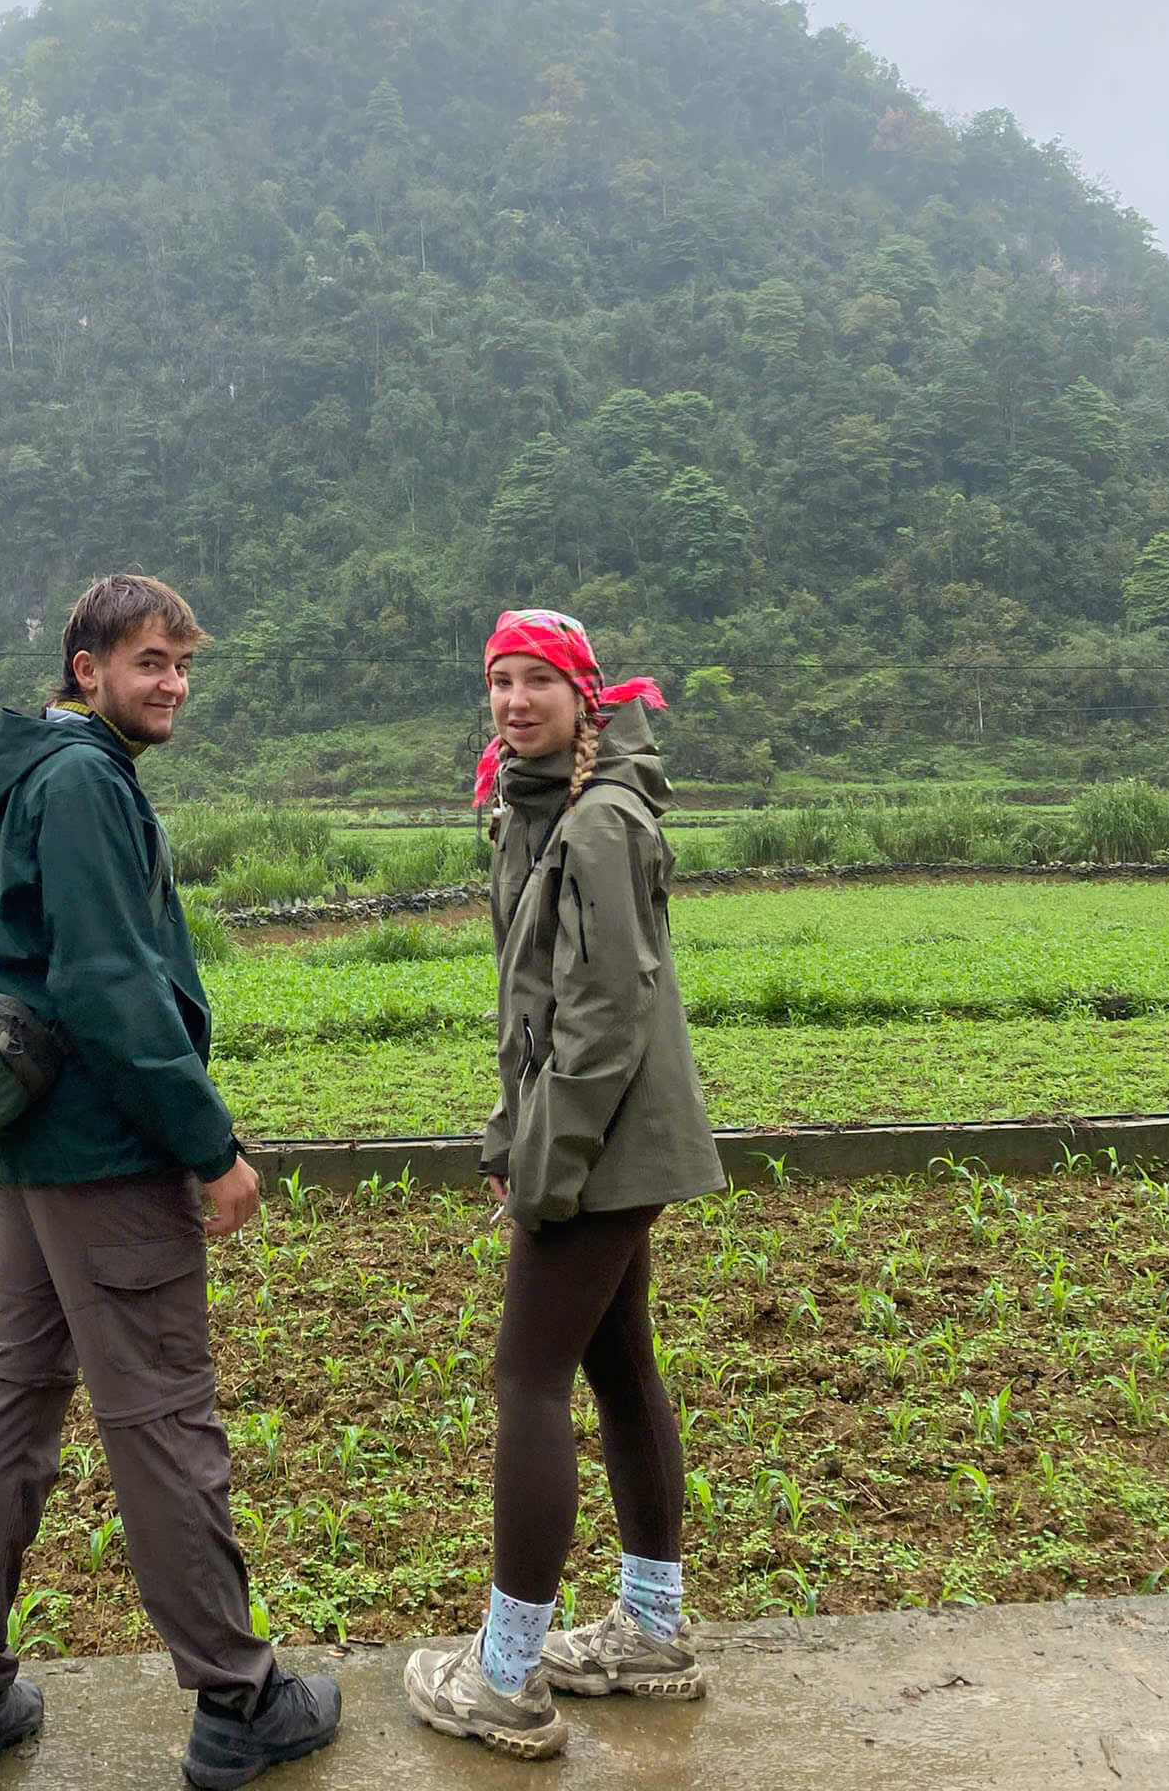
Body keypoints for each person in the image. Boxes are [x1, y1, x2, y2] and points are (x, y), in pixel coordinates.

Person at [0, 574, 342, 1791]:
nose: (172, 684)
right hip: (105, 1152)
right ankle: (237, 1695)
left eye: (182, 664)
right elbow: (112, 985)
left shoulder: (29, 771)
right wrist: (209, 1143)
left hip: (30, 1146)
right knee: (159, 1415)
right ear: (87, 665)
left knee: (10, 1389)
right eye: (150, 660)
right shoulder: (85, 785)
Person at [404, 608, 726, 1761]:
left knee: (526, 1376)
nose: (512, 699)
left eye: (537, 679)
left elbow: (600, 1024)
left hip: (600, 1148)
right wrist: (510, 1130)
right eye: (497, 680)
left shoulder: (597, 822)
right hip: (603, 1143)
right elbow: (525, 1011)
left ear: (585, 696)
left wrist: (544, 1166)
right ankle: (648, 1627)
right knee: (620, 1364)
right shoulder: (542, 811)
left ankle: (503, 1676)